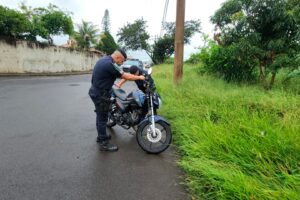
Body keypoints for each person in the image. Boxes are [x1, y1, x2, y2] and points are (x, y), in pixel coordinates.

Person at [89, 49, 145, 152]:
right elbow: (125, 76)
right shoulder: (110, 64)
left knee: (100, 116)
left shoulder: (103, 60)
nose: (122, 63)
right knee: (102, 118)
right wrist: (140, 77)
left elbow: (94, 78)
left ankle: (101, 136)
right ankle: (103, 143)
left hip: (95, 90)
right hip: (100, 94)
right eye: (122, 61)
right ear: (118, 57)